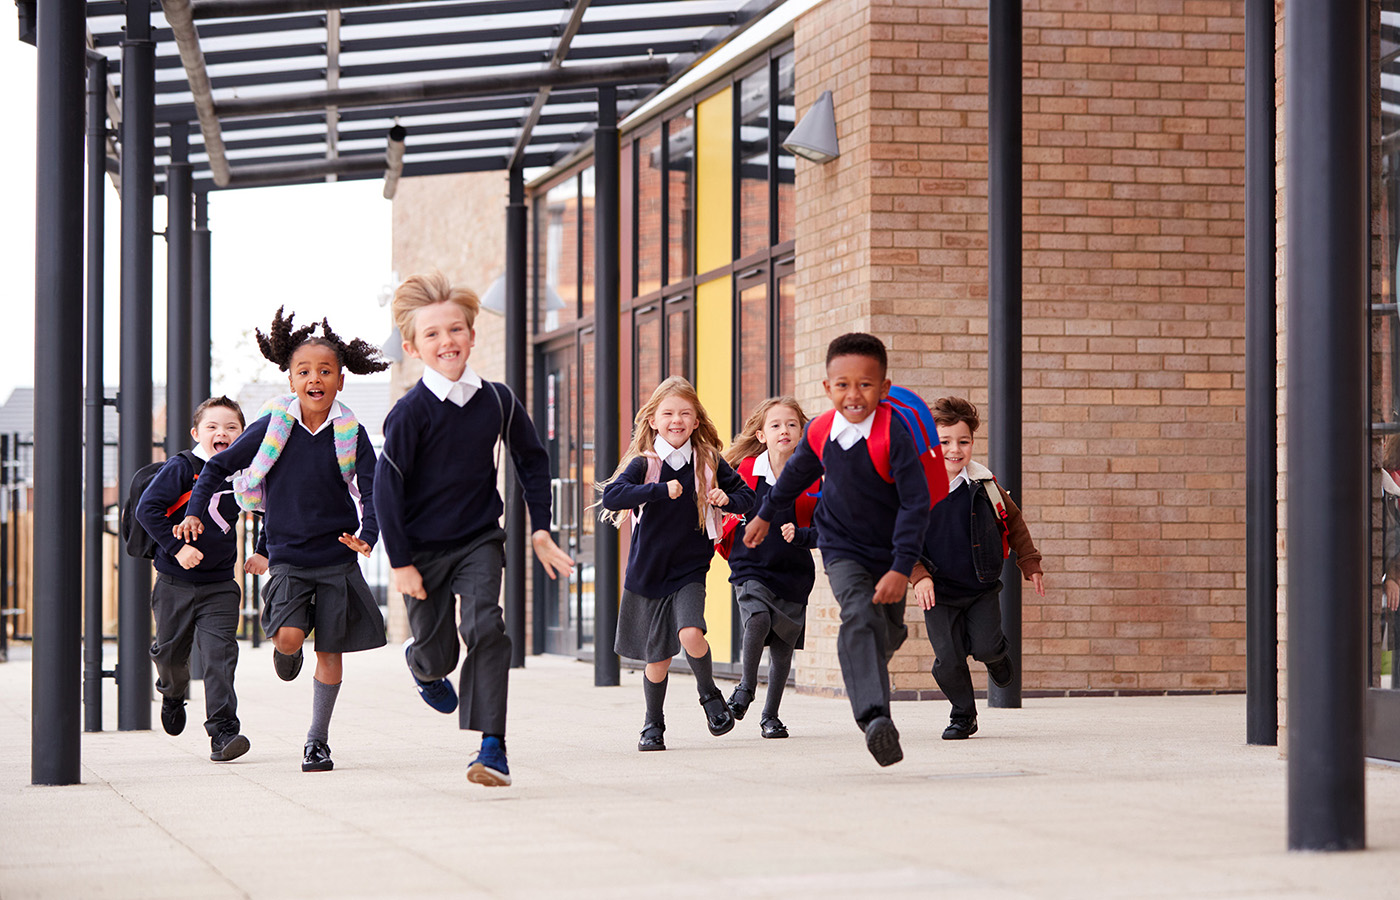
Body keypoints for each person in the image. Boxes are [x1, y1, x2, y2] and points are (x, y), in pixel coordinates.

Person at [375, 271, 574, 787]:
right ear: (413, 347)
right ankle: (422, 665)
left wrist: (540, 528)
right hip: (421, 551)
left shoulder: (498, 400)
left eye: (455, 329)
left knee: (487, 627)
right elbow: (386, 490)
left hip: (479, 540)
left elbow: (532, 460)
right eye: (433, 334)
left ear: (471, 334)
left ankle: (492, 747)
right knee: (438, 652)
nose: (447, 340)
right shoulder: (408, 414)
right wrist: (400, 563)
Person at [178, 308, 388, 773]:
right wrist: (194, 511)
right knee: (291, 639)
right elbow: (217, 466)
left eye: (325, 371)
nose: (315, 379)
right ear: (291, 380)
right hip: (288, 555)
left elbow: (374, 489)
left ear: (340, 381)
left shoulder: (350, 432)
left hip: (336, 556)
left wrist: (368, 534)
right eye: (304, 371)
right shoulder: (273, 426)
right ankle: (286, 644)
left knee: (329, 652)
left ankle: (317, 741)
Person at [744, 333, 930, 767]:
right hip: (840, 545)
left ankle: (869, 662)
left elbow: (916, 504)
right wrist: (765, 514)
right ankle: (875, 719)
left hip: (889, 550)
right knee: (859, 615)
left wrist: (902, 567)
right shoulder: (821, 430)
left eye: (865, 384)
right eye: (843, 385)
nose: (853, 394)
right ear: (828, 388)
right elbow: (794, 475)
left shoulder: (894, 434)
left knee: (888, 631)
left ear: (884, 388)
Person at [599, 376, 756, 751]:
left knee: (690, 633)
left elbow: (747, 497)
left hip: (690, 570)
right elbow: (613, 497)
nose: (676, 420)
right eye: (668, 413)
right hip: (648, 573)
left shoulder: (708, 461)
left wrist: (726, 499)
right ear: (653, 420)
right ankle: (653, 724)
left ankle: (710, 696)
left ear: (696, 420)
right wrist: (658, 491)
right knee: (659, 660)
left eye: (685, 413)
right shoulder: (645, 463)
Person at [910, 396, 1044, 740]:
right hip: (938, 592)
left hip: (980, 586)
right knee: (948, 658)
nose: (955, 450)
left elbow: (1013, 521)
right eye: (944, 442)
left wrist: (1029, 562)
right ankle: (963, 716)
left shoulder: (984, 485)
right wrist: (919, 576)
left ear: (972, 442)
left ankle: (996, 656)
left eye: (963, 441)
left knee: (985, 645)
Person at [137, 396, 262, 762]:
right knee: (170, 655)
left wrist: (264, 550)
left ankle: (223, 733)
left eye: (231, 427)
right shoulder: (183, 467)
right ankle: (172, 693)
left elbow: (273, 508)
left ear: (242, 435)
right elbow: (147, 509)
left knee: (220, 659)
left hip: (220, 585)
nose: (222, 433)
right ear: (197, 433)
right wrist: (178, 549)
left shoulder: (246, 473)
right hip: (174, 582)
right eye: (212, 427)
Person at [721, 397, 819, 739]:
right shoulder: (745, 471)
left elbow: (827, 527)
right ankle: (745, 687)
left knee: (782, 647)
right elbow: (724, 508)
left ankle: (770, 716)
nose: (784, 431)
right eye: (775, 425)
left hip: (793, 569)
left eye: (791, 424)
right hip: (751, 564)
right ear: (761, 435)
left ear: (801, 432)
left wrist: (803, 535)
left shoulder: (813, 477)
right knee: (758, 618)